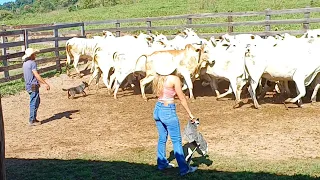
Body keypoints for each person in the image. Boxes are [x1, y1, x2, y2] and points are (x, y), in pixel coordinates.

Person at [152, 58, 197, 176]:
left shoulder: (158, 78)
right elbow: (181, 98)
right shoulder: (174, 79)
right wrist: (190, 114)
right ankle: (184, 168)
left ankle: (161, 164)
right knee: (177, 141)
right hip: (168, 111)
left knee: (162, 138)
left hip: (158, 109)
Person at [22, 48, 50, 126]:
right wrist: (45, 83)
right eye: (34, 54)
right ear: (32, 55)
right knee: (34, 102)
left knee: (35, 101)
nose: (35, 55)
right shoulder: (32, 63)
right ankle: (32, 120)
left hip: (28, 85)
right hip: (33, 85)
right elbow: (36, 74)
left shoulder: (25, 64)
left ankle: (33, 118)